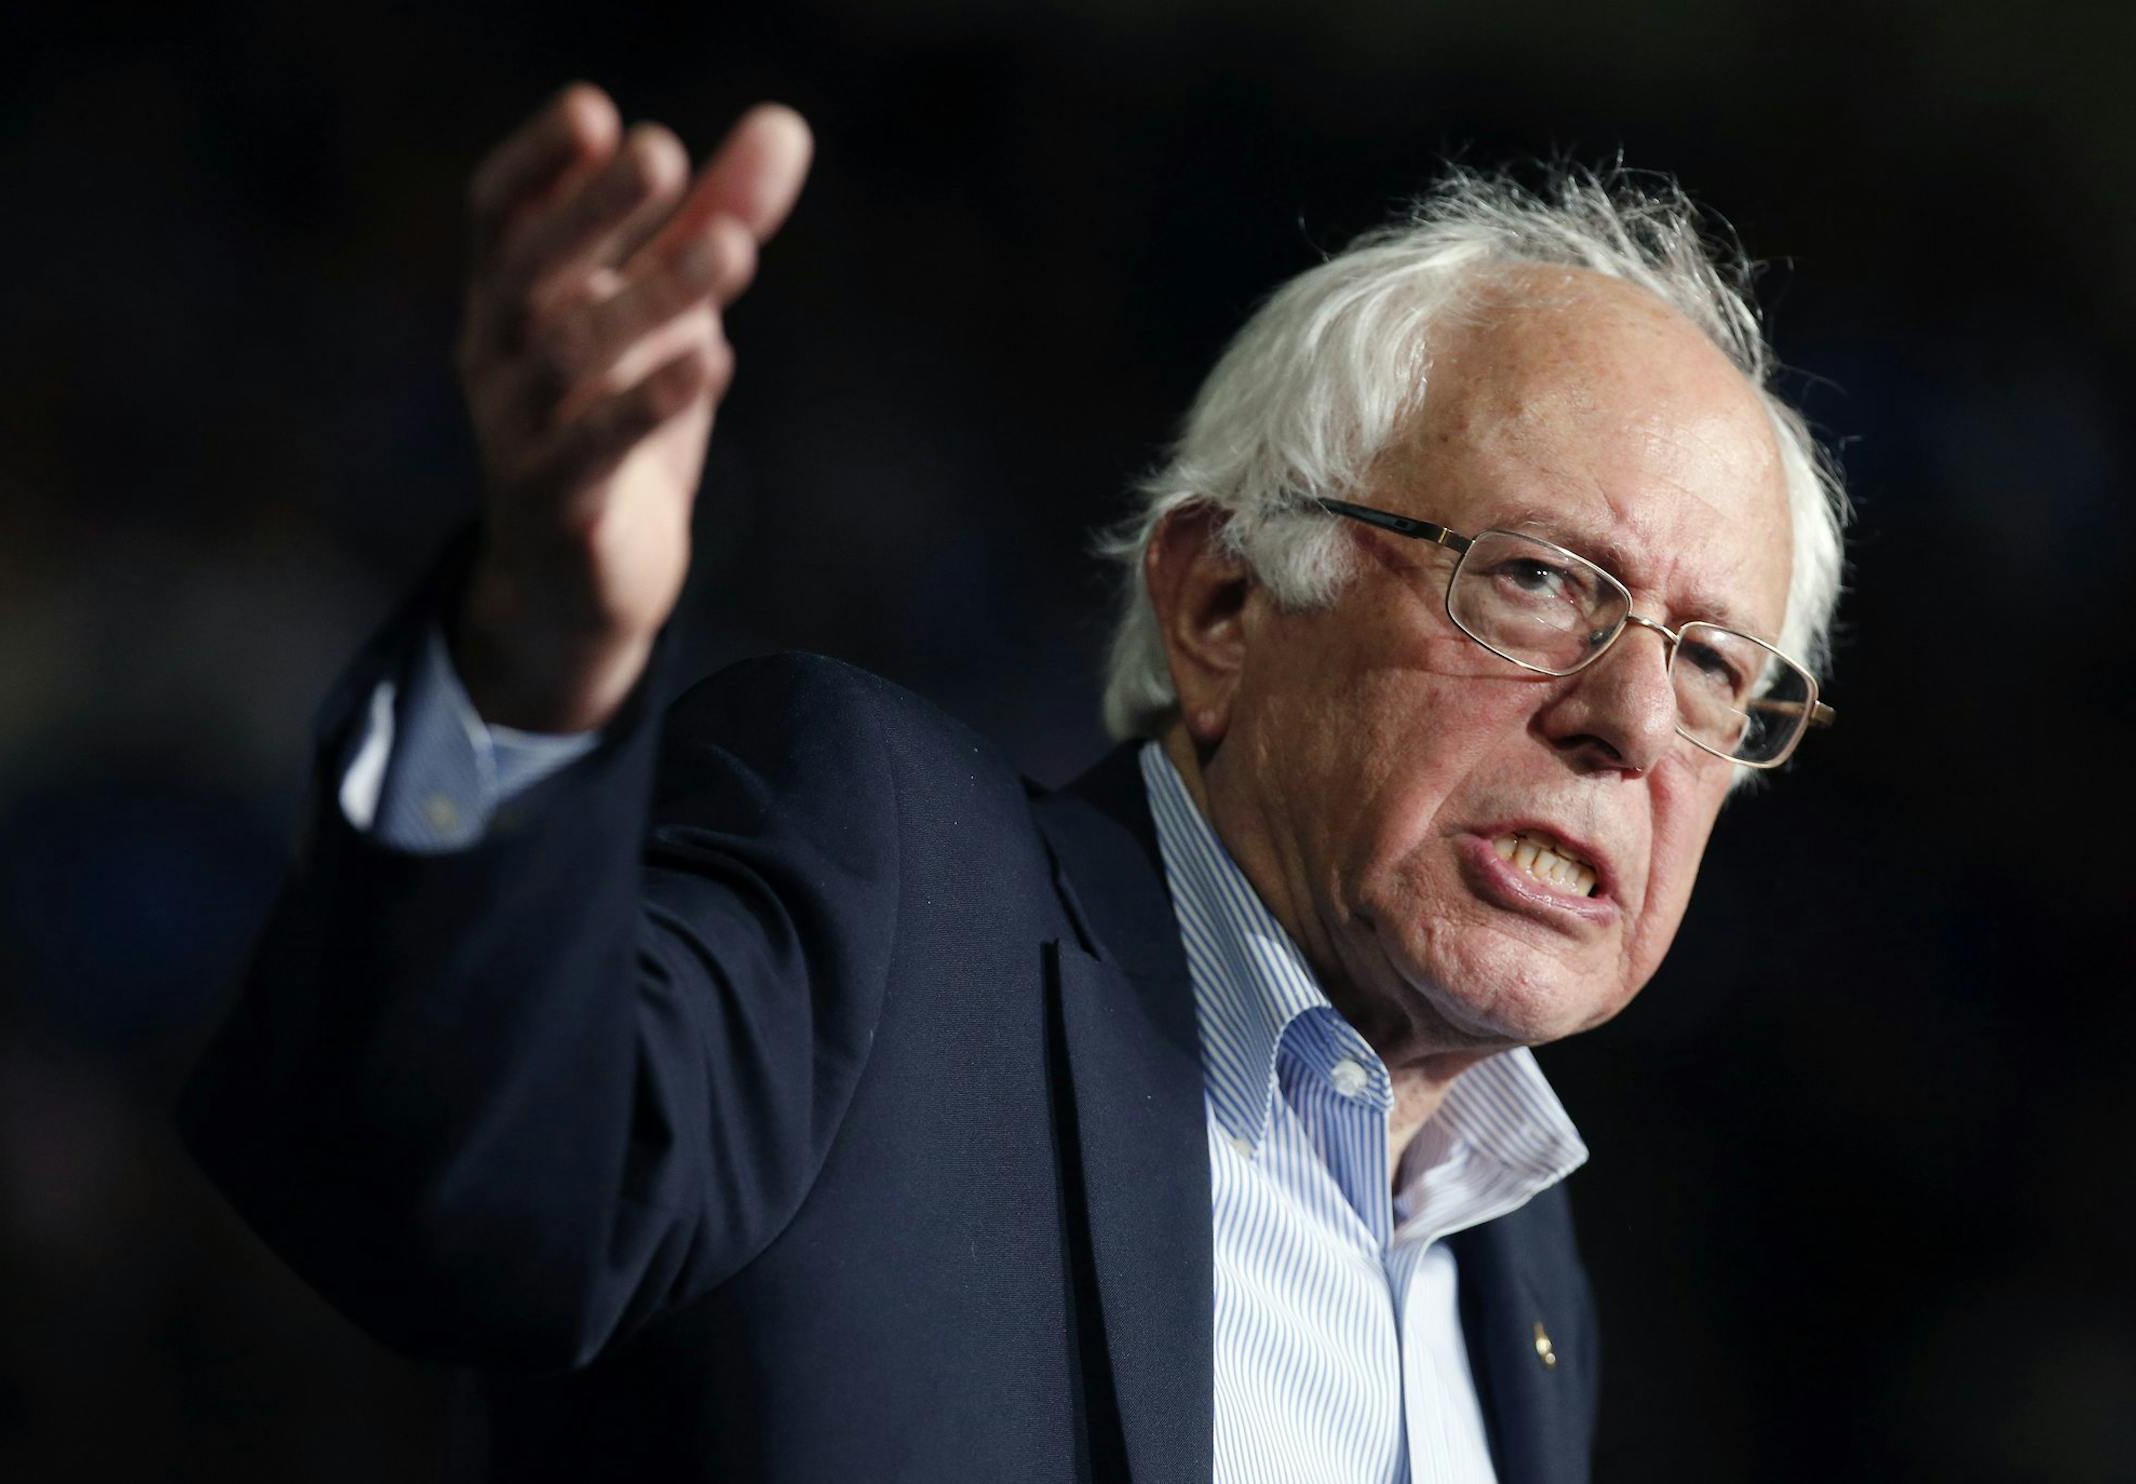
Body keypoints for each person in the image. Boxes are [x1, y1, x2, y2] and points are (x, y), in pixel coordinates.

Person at [183, 82, 1845, 1483]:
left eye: (1716, 665)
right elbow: (447, 1200)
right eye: (1541, 577)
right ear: (1221, 604)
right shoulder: (889, 891)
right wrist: (542, 653)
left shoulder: (1524, 1267)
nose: (1635, 716)